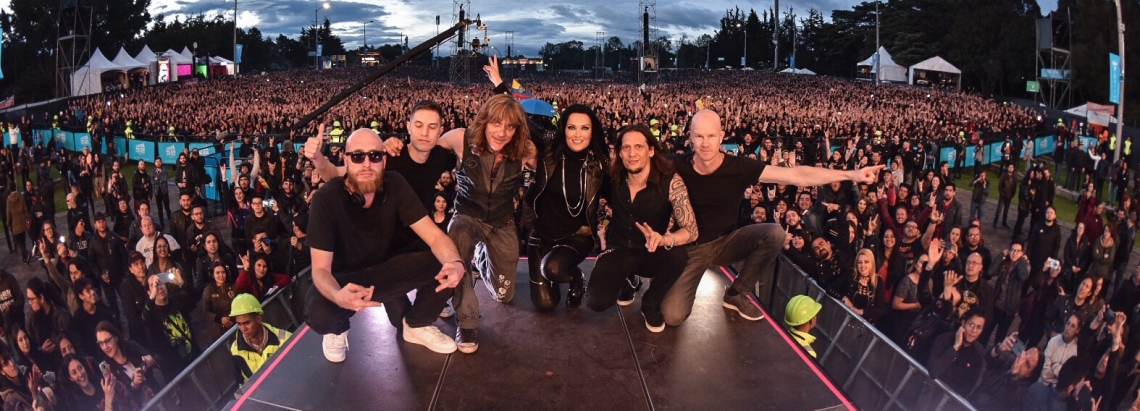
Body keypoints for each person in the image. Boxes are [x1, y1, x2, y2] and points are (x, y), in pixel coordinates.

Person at [663, 109, 881, 326]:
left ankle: (736, 294)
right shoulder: (675, 165)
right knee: (672, 316)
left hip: (726, 242)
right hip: (691, 248)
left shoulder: (739, 167)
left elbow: (797, 175)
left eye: (711, 136)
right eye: (699, 136)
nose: (705, 143)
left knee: (774, 234)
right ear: (690, 137)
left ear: (721, 136)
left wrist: (851, 175)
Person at [378, 91, 536, 353]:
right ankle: (467, 323)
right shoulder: (461, 138)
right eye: (496, 123)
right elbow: (422, 145)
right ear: (484, 121)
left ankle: (483, 262)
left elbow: (553, 159)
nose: (501, 132)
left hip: (503, 222)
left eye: (510, 126)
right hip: (467, 216)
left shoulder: (525, 150)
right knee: (457, 251)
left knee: (503, 295)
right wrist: (391, 142)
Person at [305, 128, 466, 362]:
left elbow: (434, 236)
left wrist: (455, 263)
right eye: (358, 156)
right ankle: (337, 330)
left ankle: (417, 323)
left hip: (384, 270)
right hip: (343, 280)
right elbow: (320, 270)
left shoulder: (395, 183)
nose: (367, 164)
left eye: (375, 156)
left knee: (446, 258)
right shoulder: (326, 199)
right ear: (346, 159)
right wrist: (338, 296)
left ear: (384, 160)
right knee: (319, 313)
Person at [585, 124, 697, 332]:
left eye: (638, 146)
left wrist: (664, 239)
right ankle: (626, 284)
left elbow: (691, 230)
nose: (632, 153)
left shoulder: (671, 182)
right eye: (626, 148)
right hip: (619, 250)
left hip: (652, 251)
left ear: (651, 150)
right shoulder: (612, 179)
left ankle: (650, 302)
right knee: (596, 302)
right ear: (619, 152)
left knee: (679, 256)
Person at [524, 104, 608, 312]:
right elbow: (521, 118)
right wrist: (499, 83)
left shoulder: (600, 164)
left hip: (575, 236)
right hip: (541, 236)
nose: (577, 134)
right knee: (545, 305)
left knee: (553, 268)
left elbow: (621, 197)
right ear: (564, 129)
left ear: (592, 131)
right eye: (572, 128)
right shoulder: (550, 146)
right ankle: (553, 268)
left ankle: (577, 279)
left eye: (584, 128)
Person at [968, 332, 1045, 410]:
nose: (1021, 361)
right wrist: (999, 349)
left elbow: (1012, 397)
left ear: (1030, 374)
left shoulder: (1025, 391)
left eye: (1027, 364)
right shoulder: (1010, 360)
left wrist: (1013, 374)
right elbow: (989, 359)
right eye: (1024, 355)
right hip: (974, 400)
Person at [229, 293, 292, 383]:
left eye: (247, 323)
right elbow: (241, 383)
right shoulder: (235, 350)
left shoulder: (285, 339)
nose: (243, 329)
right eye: (239, 324)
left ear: (258, 319)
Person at [926, 308, 987, 395]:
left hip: (951, 402)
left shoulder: (978, 351)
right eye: (971, 325)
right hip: (931, 392)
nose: (974, 331)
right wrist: (955, 347)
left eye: (979, 327)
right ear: (963, 323)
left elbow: (970, 384)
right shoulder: (944, 339)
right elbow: (933, 371)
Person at [202, 262, 237, 340]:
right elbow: (206, 311)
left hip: (236, 325)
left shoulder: (233, 287)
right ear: (212, 275)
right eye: (217, 273)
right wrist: (220, 319)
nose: (221, 275)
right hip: (220, 330)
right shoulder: (208, 291)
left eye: (223, 272)